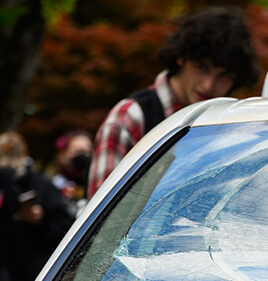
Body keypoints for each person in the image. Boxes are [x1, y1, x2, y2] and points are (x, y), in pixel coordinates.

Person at [87, 6, 257, 198]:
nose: (209, 85)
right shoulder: (131, 117)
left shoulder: (232, 128)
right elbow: (102, 216)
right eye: (201, 67)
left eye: (224, 75)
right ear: (181, 58)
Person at [0, 131, 75, 281]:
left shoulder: (39, 185)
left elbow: (63, 229)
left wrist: (42, 220)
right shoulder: (41, 184)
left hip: (29, 276)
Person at [50, 129, 93, 217]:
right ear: (63, 155)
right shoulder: (55, 186)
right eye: (77, 152)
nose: (83, 157)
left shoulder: (97, 184)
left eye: (87, 152)